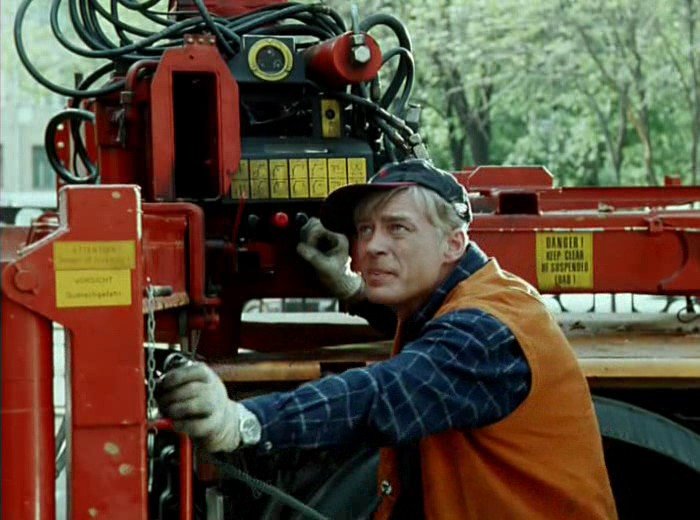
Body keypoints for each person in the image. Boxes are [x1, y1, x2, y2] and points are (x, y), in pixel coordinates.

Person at [156, 159, 618, 519]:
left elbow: (383, 396)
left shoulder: (487, 331)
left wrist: (243, 421)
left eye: (398, 228)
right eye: (365, 229)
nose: (371, 246)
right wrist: (353, 290)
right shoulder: (472, 294)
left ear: (453, 243)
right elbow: (429, 330)